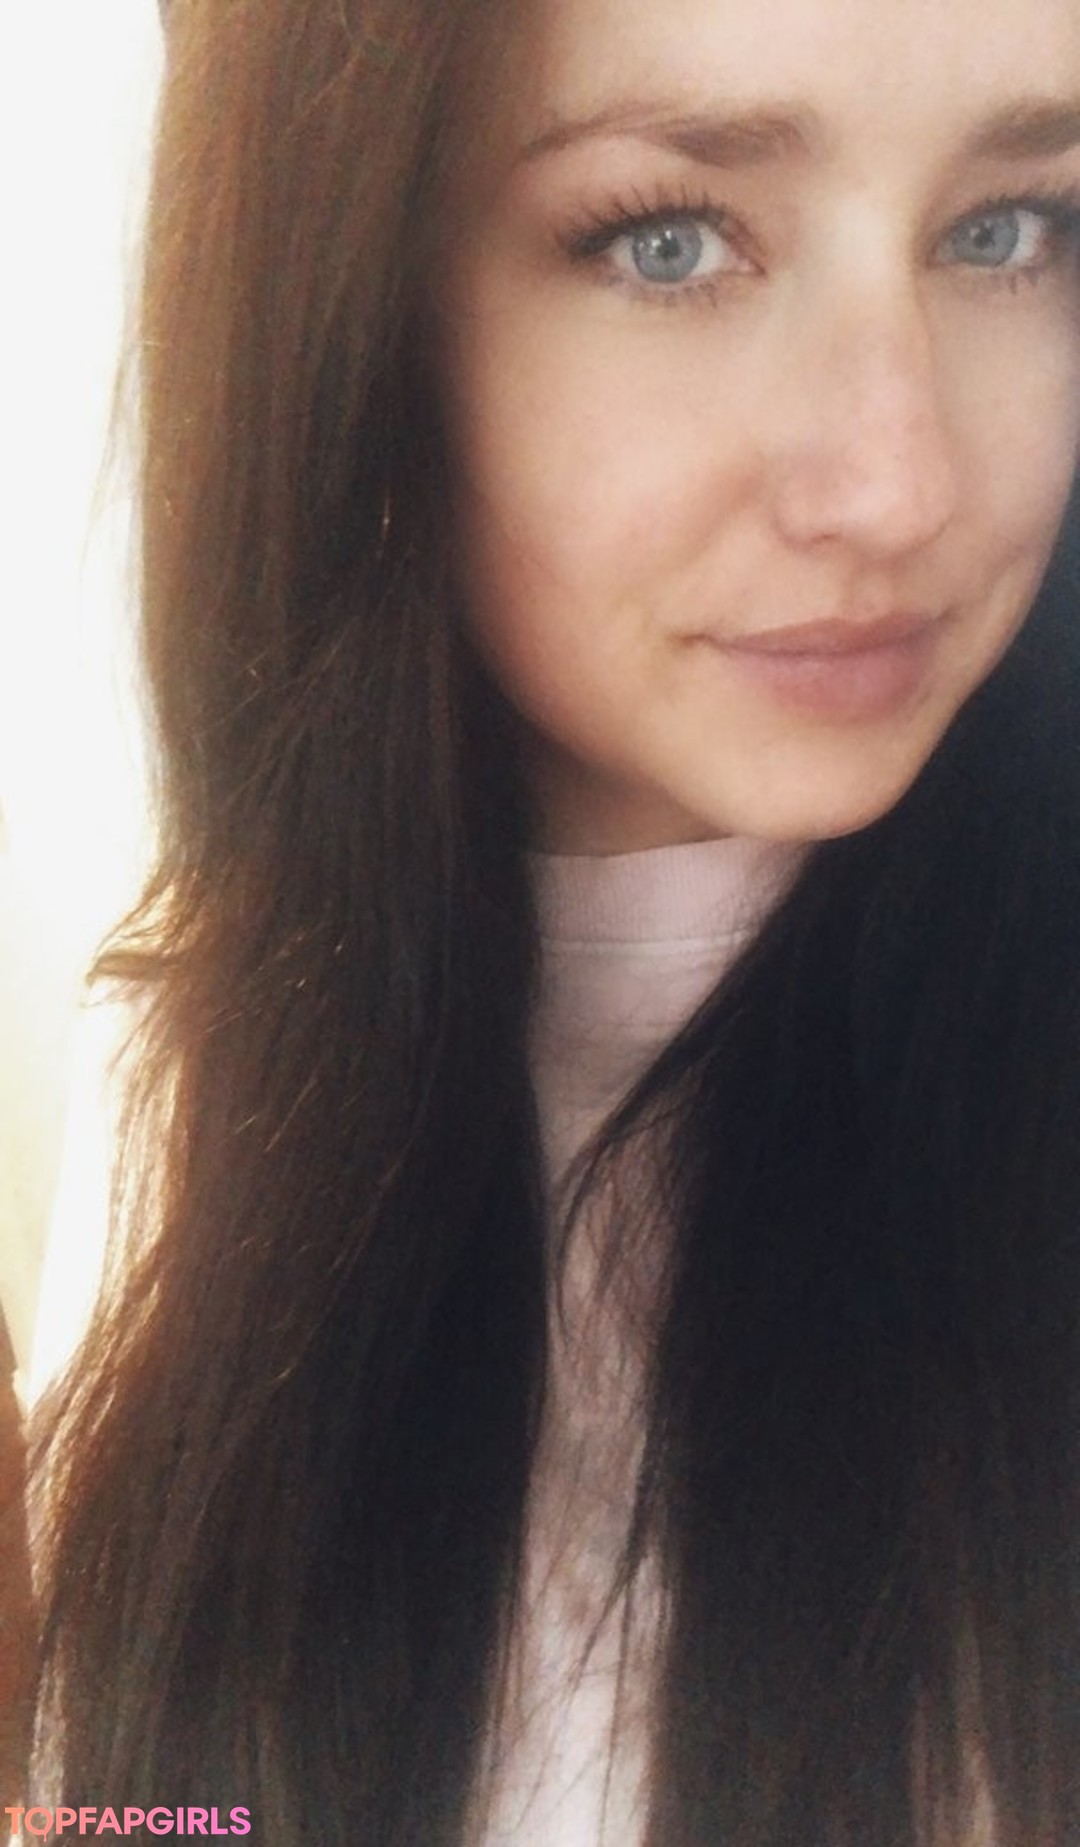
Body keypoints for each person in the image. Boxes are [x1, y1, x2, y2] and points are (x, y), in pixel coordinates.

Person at [31, 0, 1080, 1842]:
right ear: (353, 311)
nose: (901, 484)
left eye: (1010, 229)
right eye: (670, 242)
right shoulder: (171, 1065)